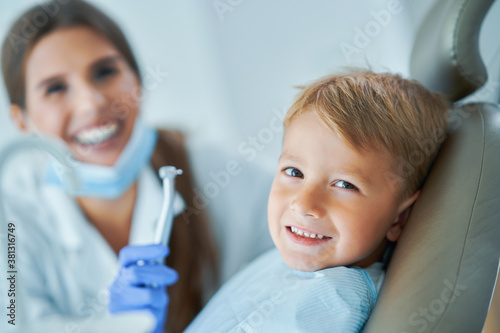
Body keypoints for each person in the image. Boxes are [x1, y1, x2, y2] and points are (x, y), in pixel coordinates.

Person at [0, 1, 217, 332]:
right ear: (21, 120)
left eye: (105, 72)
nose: (92, 102)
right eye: (55, 88)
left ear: (138, 81)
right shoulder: (11, 223)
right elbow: (13, 320)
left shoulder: (212, 170)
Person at [185, 71, 449, 332]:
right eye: (294, 172)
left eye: (345, 185)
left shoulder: (330, 301)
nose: (303, 204)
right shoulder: (287, 261)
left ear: (399, 218)